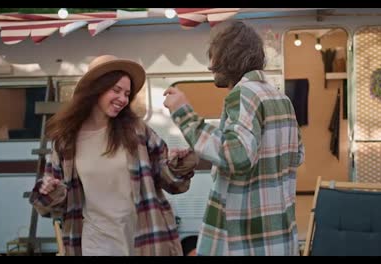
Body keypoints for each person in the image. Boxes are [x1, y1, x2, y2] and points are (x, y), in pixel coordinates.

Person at [29, 55, 198, 256]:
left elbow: (170, 181)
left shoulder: (137, 131)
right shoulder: (66, 141)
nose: (123, 99)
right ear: (95, 89)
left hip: (143, 237)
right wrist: (49, 190)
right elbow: (54, 204)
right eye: (116, 90)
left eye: (127, 93)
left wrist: (179, 163)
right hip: (95, 241)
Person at [163, 20, 305, 256]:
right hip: (277, 237)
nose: (210, 66)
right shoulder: (281, 99)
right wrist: (199, 156)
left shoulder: (244, 94)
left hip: (245, 240)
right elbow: (292, 155)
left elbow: (238, 156)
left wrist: (183, 113)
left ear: (230, 58)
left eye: (214, 57)